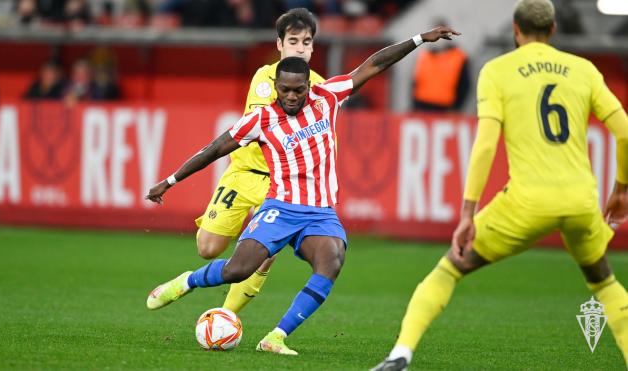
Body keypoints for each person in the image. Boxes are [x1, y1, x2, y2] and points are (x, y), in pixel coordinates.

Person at [144, 27, 459, 355]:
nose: (291, 97)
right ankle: (186, 282)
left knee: (331, 261)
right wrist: (169, 181)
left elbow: (374, 64)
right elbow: (214, 149)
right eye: (284, 91)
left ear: (309, 86)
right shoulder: (262, 120)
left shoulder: (329, 96)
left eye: (298, 90)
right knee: (238, 269)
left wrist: (420, 40)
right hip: (280, 208)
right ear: (276, 88)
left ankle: (276, 336)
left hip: (320, 212)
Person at [372, 0, 628, 369]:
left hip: (527, 202)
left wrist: (467, 213)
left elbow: (486, 144)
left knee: (449, 268)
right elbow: (623, 132)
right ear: (553, 30)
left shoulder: (498, 70)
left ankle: (400, 354)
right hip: (581, 201)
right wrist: (620, 189)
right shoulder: (583, 69)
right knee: (603, 282)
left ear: (516, 30)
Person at [194, 8, 325, 315]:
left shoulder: (321, 89)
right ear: (279, 44)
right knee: (207, 248)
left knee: (265, 251)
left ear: (313, 47)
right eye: (293, 41)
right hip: (243, 172)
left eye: (307, 42)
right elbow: (264, 127)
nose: (301, 48)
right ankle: (236, 256)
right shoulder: (263, 78)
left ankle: (225, 316)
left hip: (281, 183)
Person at [411, 18, 470, 112]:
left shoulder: (459, 57)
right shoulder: (423, 56)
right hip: (422, 108)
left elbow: (464, 85)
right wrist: (414, 107)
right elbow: (415, 84)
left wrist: (456, 108)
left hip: (446, 109)